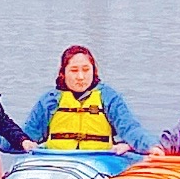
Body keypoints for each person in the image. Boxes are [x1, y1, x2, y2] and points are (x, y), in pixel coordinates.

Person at [19, 46, 149, 154]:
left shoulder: (109, 97)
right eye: (74, 71)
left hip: (100, 159)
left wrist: (151, 147)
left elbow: (131, 130)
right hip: (56, 158)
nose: (81, 77)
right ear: (63, 74)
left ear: (94, 71)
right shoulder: (50, 100)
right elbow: (25, 136)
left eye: (86, 70)